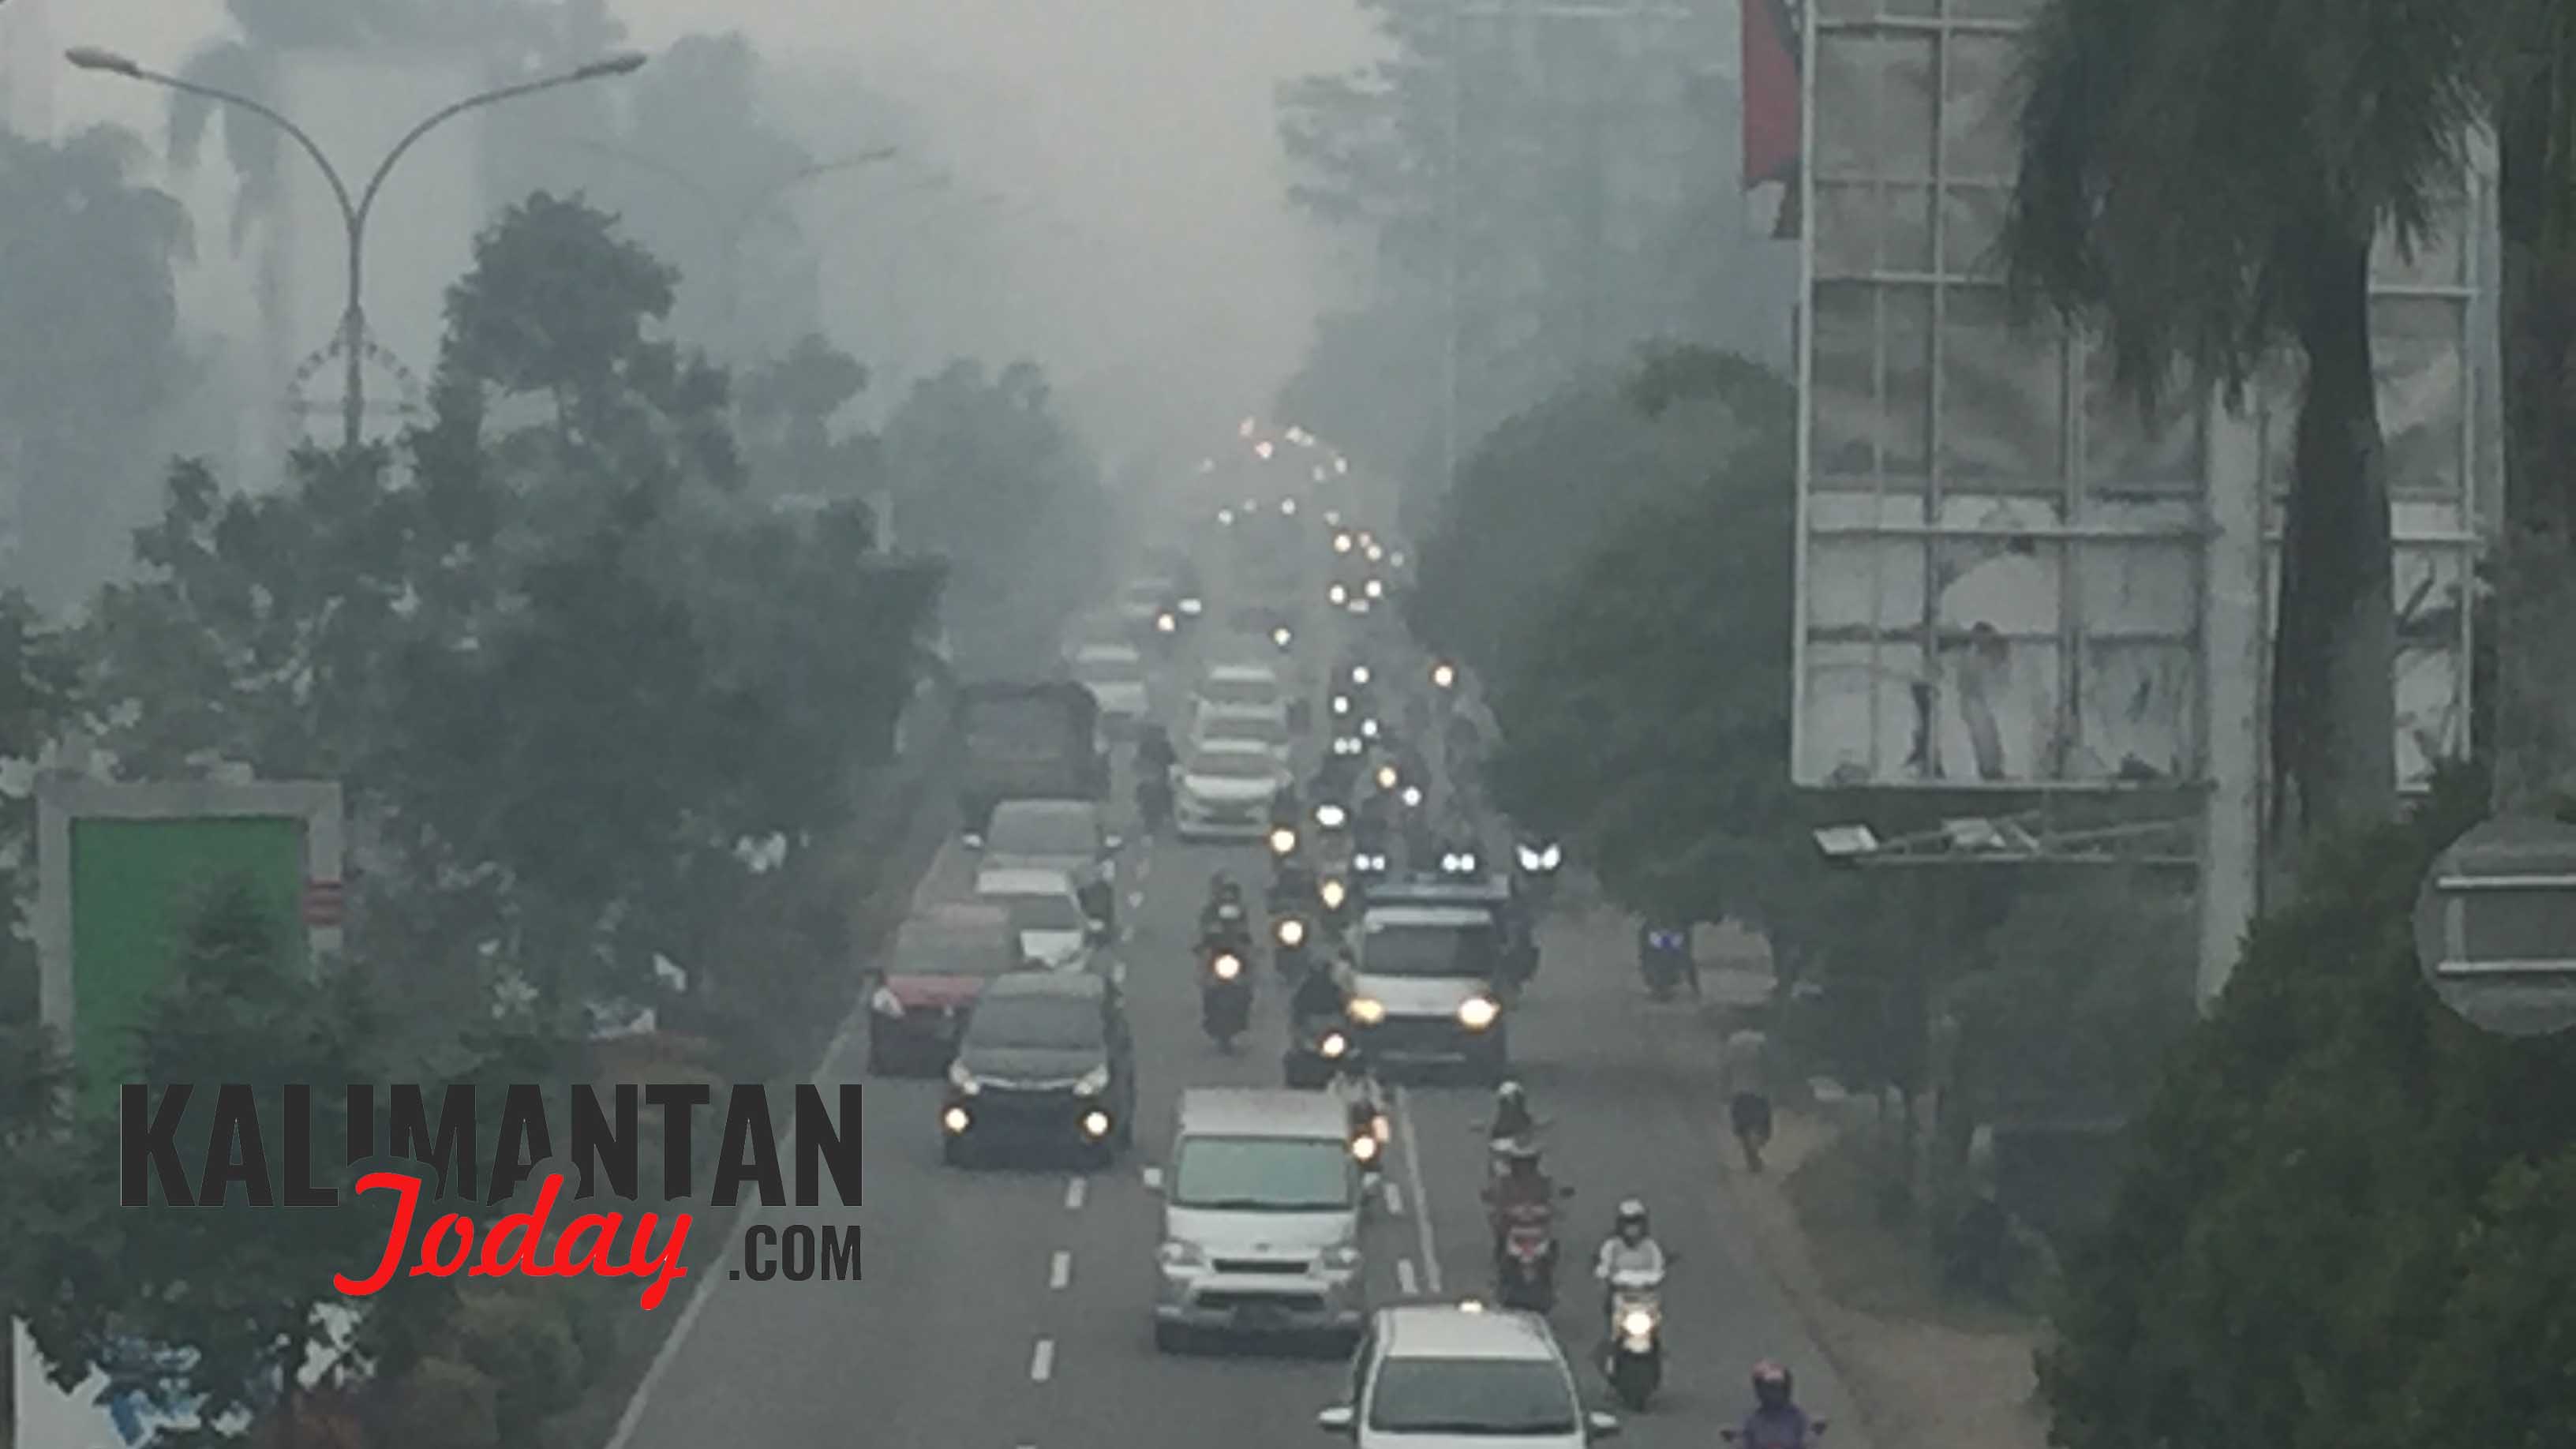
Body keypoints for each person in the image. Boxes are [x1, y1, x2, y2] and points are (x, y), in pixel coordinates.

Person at [1592, 1199, 1668, 1321]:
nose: (1632, 1227)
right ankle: (1613, 1335)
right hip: (1621, 1299)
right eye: (1628, 1222)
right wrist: (1604, 1272)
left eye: (1636, 1222)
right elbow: (1604, 1265)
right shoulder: (1612, 1246)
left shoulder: (1651, 1247)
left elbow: (1658, 1267)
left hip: (1646, 1300)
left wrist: (1659, 1274)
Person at [1481, 1139, 1555, 1256]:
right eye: (1520, 1162)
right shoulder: (1505, 1181)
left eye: (1527, 1162)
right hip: (1512, 1220)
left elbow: (1553, 1197)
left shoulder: (1543, 1181)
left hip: (1536, 1220)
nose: (1523, 1166)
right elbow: (1494, 1196)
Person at [1723, 1022, 1774, 1174]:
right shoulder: (1763, 1041)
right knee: (1762, 1128)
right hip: (1759, 1091)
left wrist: (1724, 1087)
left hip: (1739, 1091)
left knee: (1743, 1128)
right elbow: (1770, 1065)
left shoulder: (1732, 1042)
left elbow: (1726, 1066)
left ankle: (1752, 1156)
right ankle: (1755, 1152)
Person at [1735, 1360, 1815, 1448]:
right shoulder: (1752, 1419)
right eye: (1771, 1387)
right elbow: (1744, 1442)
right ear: (1759, 1389)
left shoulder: (1797, 1417)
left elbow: (1808, 1441)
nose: (1776, 1392)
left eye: (1780, 1387)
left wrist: (1812, 1434)